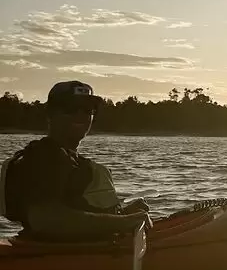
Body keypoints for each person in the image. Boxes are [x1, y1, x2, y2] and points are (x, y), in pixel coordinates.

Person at [0, 81, 151, 241]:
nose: (81, 115)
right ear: (50, 113)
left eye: (87, 110)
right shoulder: (42, 158)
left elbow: (76, 210)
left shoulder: (68, 158)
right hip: (56, 257)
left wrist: (123, 213)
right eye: (70, 108)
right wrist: (123, 222)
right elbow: (45, 220)